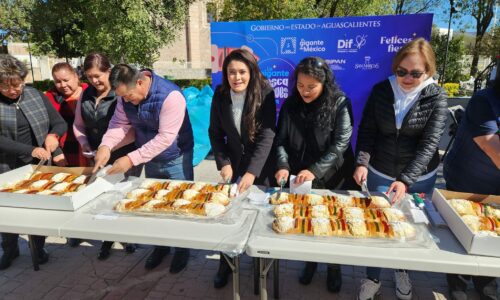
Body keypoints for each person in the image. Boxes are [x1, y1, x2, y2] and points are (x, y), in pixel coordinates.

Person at [353, 38, 447, 300]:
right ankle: (372, 277)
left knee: (407, 227)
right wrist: (361, 161)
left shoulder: (437, 95)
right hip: (381, 170)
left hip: (419, 178)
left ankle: (402, 270)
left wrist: (406, 179)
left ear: (428, 70)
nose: (407, 78)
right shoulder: (382, 90)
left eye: (415, 73)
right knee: (377, 226)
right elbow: (368, 130)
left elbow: (430, 144)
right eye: (401, 71)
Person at [93, 64, 194, 274]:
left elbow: (166, 138)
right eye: (124, 98)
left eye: (129, 96)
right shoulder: (124, 96)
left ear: (139, 82)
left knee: (179, 205)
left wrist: (131, 159)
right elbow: (119, 124)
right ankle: (161, 247)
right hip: (150, 158)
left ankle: (182, 250)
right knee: (154, 205)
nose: (127, 101)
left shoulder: (171, 96)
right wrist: (106, 146)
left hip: (176, 157)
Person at [274, 56, 356, 293]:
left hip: (334, 174)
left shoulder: (340, 102)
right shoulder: (290, 105)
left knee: (331, 220)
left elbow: (341, 143)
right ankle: (310, 261)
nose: (305, 92)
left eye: (311, 87)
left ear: (324, 83)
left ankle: (334, 267)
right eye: (300, 86)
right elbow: (280, 140)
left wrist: (316, 170)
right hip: (302, 174)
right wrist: (282, 165)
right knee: (308, 218)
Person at [208, 49, 276, 288]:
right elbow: (215, 133)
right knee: (229, 216)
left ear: (251, 72)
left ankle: (260, 265)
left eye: (242, 72)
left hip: (261, 167)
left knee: (258, 218)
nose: (237, 77)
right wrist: (224, 163)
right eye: (231, 72)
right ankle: (226, 263)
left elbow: (268, 134)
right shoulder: (220, 94)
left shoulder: (265, 93)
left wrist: (252, 172)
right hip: (234, 164)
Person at [0, 54, 67, 270]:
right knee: (7, 212)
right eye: (7, 86)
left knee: (38, 210)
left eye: (18, 84)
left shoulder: (35, 95)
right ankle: (9, 249)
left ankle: (39, 247)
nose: (14, 90)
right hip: (6, 165)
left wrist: (53, 136)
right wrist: (31, 149)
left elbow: (59, 123)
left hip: (38, 166)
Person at [72, 53, 137, 258]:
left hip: (122, 155)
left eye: (98, 75)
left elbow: (130, 128)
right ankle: (106, 238)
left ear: (109, 71)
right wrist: (84, 143)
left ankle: (126, 237)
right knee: (101, 199)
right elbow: (78, 124)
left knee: (120, 197)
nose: (95, 81)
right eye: (90, 76)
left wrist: (107, 147)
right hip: (96, 155)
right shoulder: (86, 94)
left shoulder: (121, 93)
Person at [443, 70, 499, 300]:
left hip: (496, 188)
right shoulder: (485, 100)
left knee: (491, 231)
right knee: (461, 232)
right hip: (466, 180)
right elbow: (492, 148)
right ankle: (457, 281)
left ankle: (484, 278)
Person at [45, 62, 89, 167]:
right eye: (58, 82)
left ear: (76, 76)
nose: (63, 85)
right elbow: (43, 127)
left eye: (66, 80)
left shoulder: (90, 92)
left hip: (91, 146)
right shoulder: (49, 98)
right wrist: (56, 151)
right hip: (65, 152)